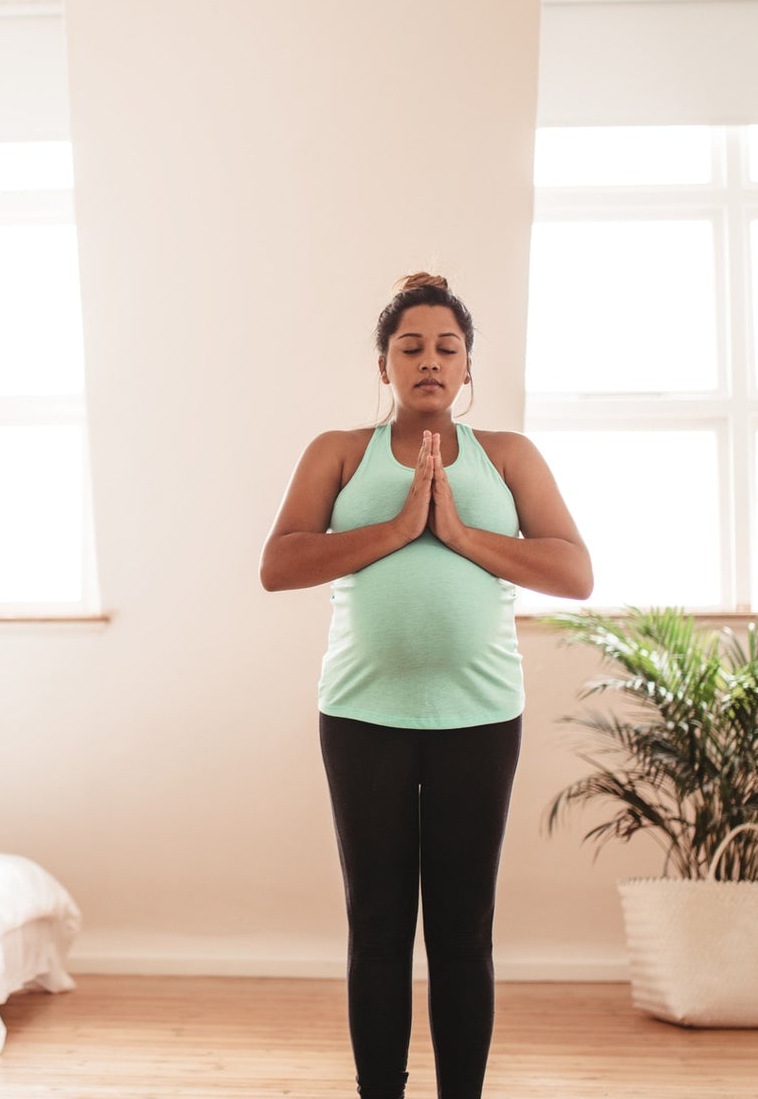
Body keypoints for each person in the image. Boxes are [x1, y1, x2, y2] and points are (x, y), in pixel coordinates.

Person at [260, 271, 593, 1099]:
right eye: (410, 347)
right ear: (384, 365)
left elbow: (574, 571)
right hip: (362, 715)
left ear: (469, 366)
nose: (429, 360)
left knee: (460, 932)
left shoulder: (507, 456)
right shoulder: (339, 451)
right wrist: (400, 527)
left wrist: (457, 532)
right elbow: (279, 564)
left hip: (479, 720)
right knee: (376, 928)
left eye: (447, 347)